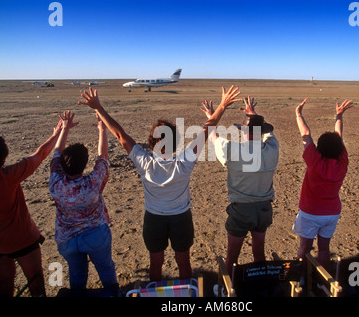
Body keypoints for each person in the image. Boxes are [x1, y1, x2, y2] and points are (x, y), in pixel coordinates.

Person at [77, 86, 241, 281]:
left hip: (154, 219)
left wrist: (99, 108)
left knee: (156, 263)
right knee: (184, 262)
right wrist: (222, 105)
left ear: (152, 143)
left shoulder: (144, 162)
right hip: (181, 218)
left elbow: (120, 135)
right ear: (174, 143)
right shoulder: (184, 161)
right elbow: (206, 131)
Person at [0, 118, 63, 297]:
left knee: (4, 277)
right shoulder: (7, 177)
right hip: (18, 238)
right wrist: (56, 134)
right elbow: (40, 154)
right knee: (35, 278)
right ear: (2, 159)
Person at [201, 96, 279, 278]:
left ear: (243, 131)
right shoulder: (272, 149)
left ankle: (230, 288)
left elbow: (213, 137)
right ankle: (261, 284)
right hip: (264, 209)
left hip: (241, 211)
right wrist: (253, 114)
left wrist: (212, 116)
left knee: (232, 256)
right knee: (259, 252)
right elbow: (270, 134)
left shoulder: (232, 150)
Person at [48, 111, 119, 295]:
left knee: (77, 273)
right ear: (85, 163)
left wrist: (64, 129)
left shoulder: (56, 183)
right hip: (95, 234)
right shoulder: (92, 183)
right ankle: (112, 292)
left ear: (62, 165)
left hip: (67, 238)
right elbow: (103, 156)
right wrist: (102, 129)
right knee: (105, 267)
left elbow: (56, 153)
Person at [293, 98, 353, 268]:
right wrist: (339, 117)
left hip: (310, 212)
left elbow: (306, 135)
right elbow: (339, 139)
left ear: (320, 148)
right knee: (324, 249)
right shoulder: (342, 163)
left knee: (304, 248)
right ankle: (322, 278)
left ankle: (302, 278)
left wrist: (299, 114)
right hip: (332, 213)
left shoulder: (315, 162)